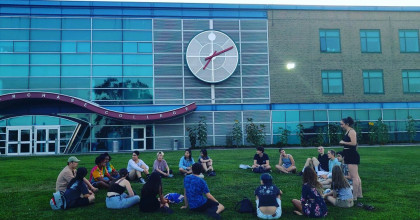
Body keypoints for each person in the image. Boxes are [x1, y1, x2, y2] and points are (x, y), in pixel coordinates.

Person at [339, 117, 362, 201]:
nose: (341, 126)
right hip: (349, 154)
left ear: (347, 124)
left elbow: (354, 143)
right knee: (356, 176)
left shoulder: (351, 131)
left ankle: (355, 197)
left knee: (354, 177)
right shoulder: (347, 132)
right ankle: (359, 194)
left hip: (352, 155)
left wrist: (343, 142)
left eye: (342, 124)